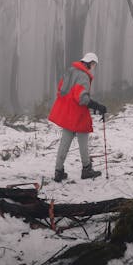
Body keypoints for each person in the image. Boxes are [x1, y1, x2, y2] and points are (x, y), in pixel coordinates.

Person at [48, 51, 107, 182]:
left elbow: (61, 89)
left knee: (64, 143)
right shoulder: (83, 76)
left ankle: (58, 171)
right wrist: (97, 106)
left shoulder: (70, 71)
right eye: (94, 65)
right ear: (91, 63)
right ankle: (86, 169)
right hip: (78, 114)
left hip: (67, 113)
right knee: (83, 143)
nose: (94, 68)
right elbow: (82, 98)